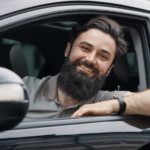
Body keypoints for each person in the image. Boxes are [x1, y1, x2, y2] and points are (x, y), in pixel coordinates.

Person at [23, 16, 134, 120]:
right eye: (85, 48)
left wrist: (114, 105)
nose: (90, 59)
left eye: (102, 56)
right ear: (67, 50)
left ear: (109, 70)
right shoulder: (26, 89)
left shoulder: (107, 101)